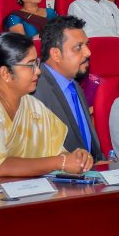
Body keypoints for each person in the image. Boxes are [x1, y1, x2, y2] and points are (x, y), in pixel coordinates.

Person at [0, 33, 93, 178]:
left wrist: (76, 158)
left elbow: (57, 152)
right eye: (30, 65)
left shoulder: (30, 104)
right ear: (5, 73)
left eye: (37, 63)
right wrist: (61, 162)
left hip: (23, 188)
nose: (38, 71)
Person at [32, 16, 103, 161]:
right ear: (56, 54)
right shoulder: (35, 90)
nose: (88, 52)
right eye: (78, 47)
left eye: (87, 44)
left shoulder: (74, 84)